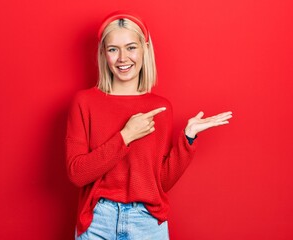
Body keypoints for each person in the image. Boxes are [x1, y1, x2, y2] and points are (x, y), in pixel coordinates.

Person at [65, 11, 232, 240]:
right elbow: (77, 174)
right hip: (97, 222)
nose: (123, 58)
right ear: (104, 54)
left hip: (147, 223)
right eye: (113, 49)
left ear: (144, 50)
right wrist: (125, 136)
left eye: (131, 47)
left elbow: (159, 182)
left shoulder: (160, 107)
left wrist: (188, 138)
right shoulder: (84, 102)